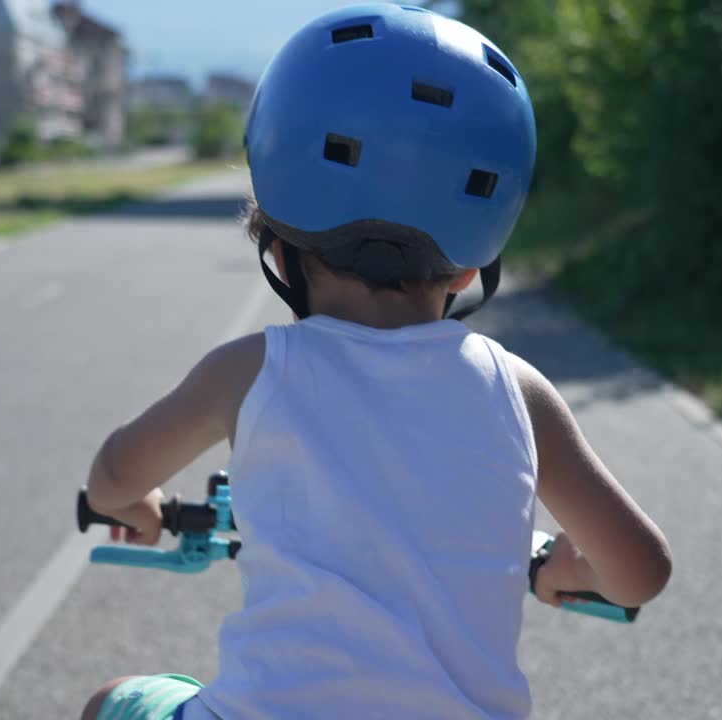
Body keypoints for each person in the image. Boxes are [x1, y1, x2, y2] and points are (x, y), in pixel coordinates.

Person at [80, 4, 672, 719]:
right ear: (468, 268)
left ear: (277, 247)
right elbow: (641, 571)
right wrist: (567, 568)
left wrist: (134, 506)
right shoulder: (517, 389)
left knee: (112, 701)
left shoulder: (249, 371)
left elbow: (113, 475)